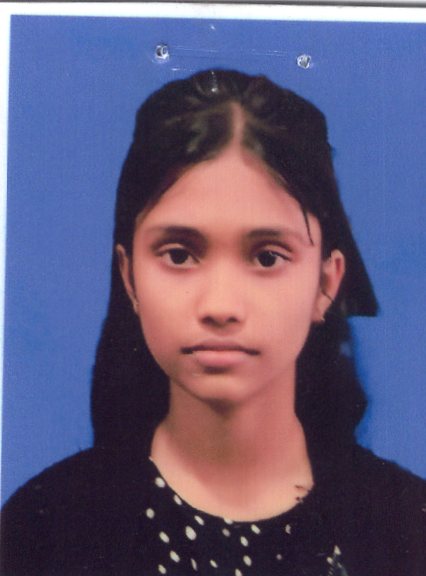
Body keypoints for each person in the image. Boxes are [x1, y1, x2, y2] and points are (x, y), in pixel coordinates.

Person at [1, 69, 425, 576]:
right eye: (179, 254)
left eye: (267, 257)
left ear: (326, 283)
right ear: (129, 277)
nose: (220, 305)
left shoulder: (405, 525)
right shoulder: (44, 529)